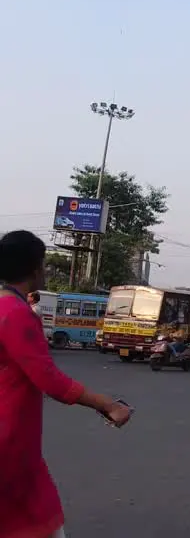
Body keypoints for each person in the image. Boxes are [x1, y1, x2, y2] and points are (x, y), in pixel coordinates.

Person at [1, 230, 133, 538]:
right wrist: (108, 405)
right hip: (11, 444)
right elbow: (50, 380)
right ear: (35, 269)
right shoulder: (17, 314)